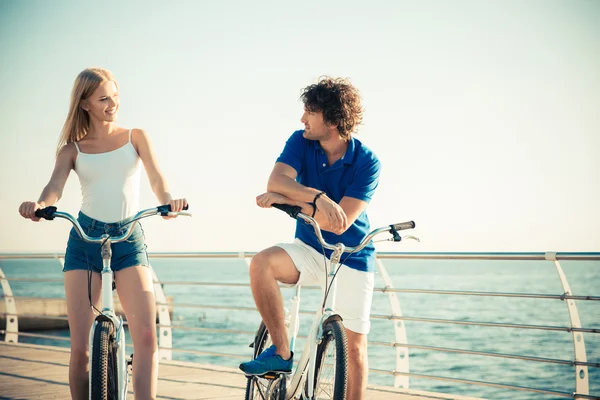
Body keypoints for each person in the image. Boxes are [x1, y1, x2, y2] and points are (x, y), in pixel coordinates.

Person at [18, 67, 187, 400]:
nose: (113, 104)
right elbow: (54, 187)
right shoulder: (72, 150)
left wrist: (168, 203)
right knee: (80, 349)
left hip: (129, 240)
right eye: (104, 98)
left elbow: (156, 179)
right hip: (85, 240)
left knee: (147, 339)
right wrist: (39, 205)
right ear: (85, 104)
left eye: (116, 96)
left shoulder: (135, 136)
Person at [239, 76, 381, 400]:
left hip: (351, 256)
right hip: (307, 248)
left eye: (310, 113)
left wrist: (288, 200)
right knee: (261, 264)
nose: (302, 119)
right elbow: (276, 178)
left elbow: (339, 224)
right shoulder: (300, 141)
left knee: (355, 348)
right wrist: (317, 198)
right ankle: (281, 351)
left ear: (331, 120)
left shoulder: (367, 162)